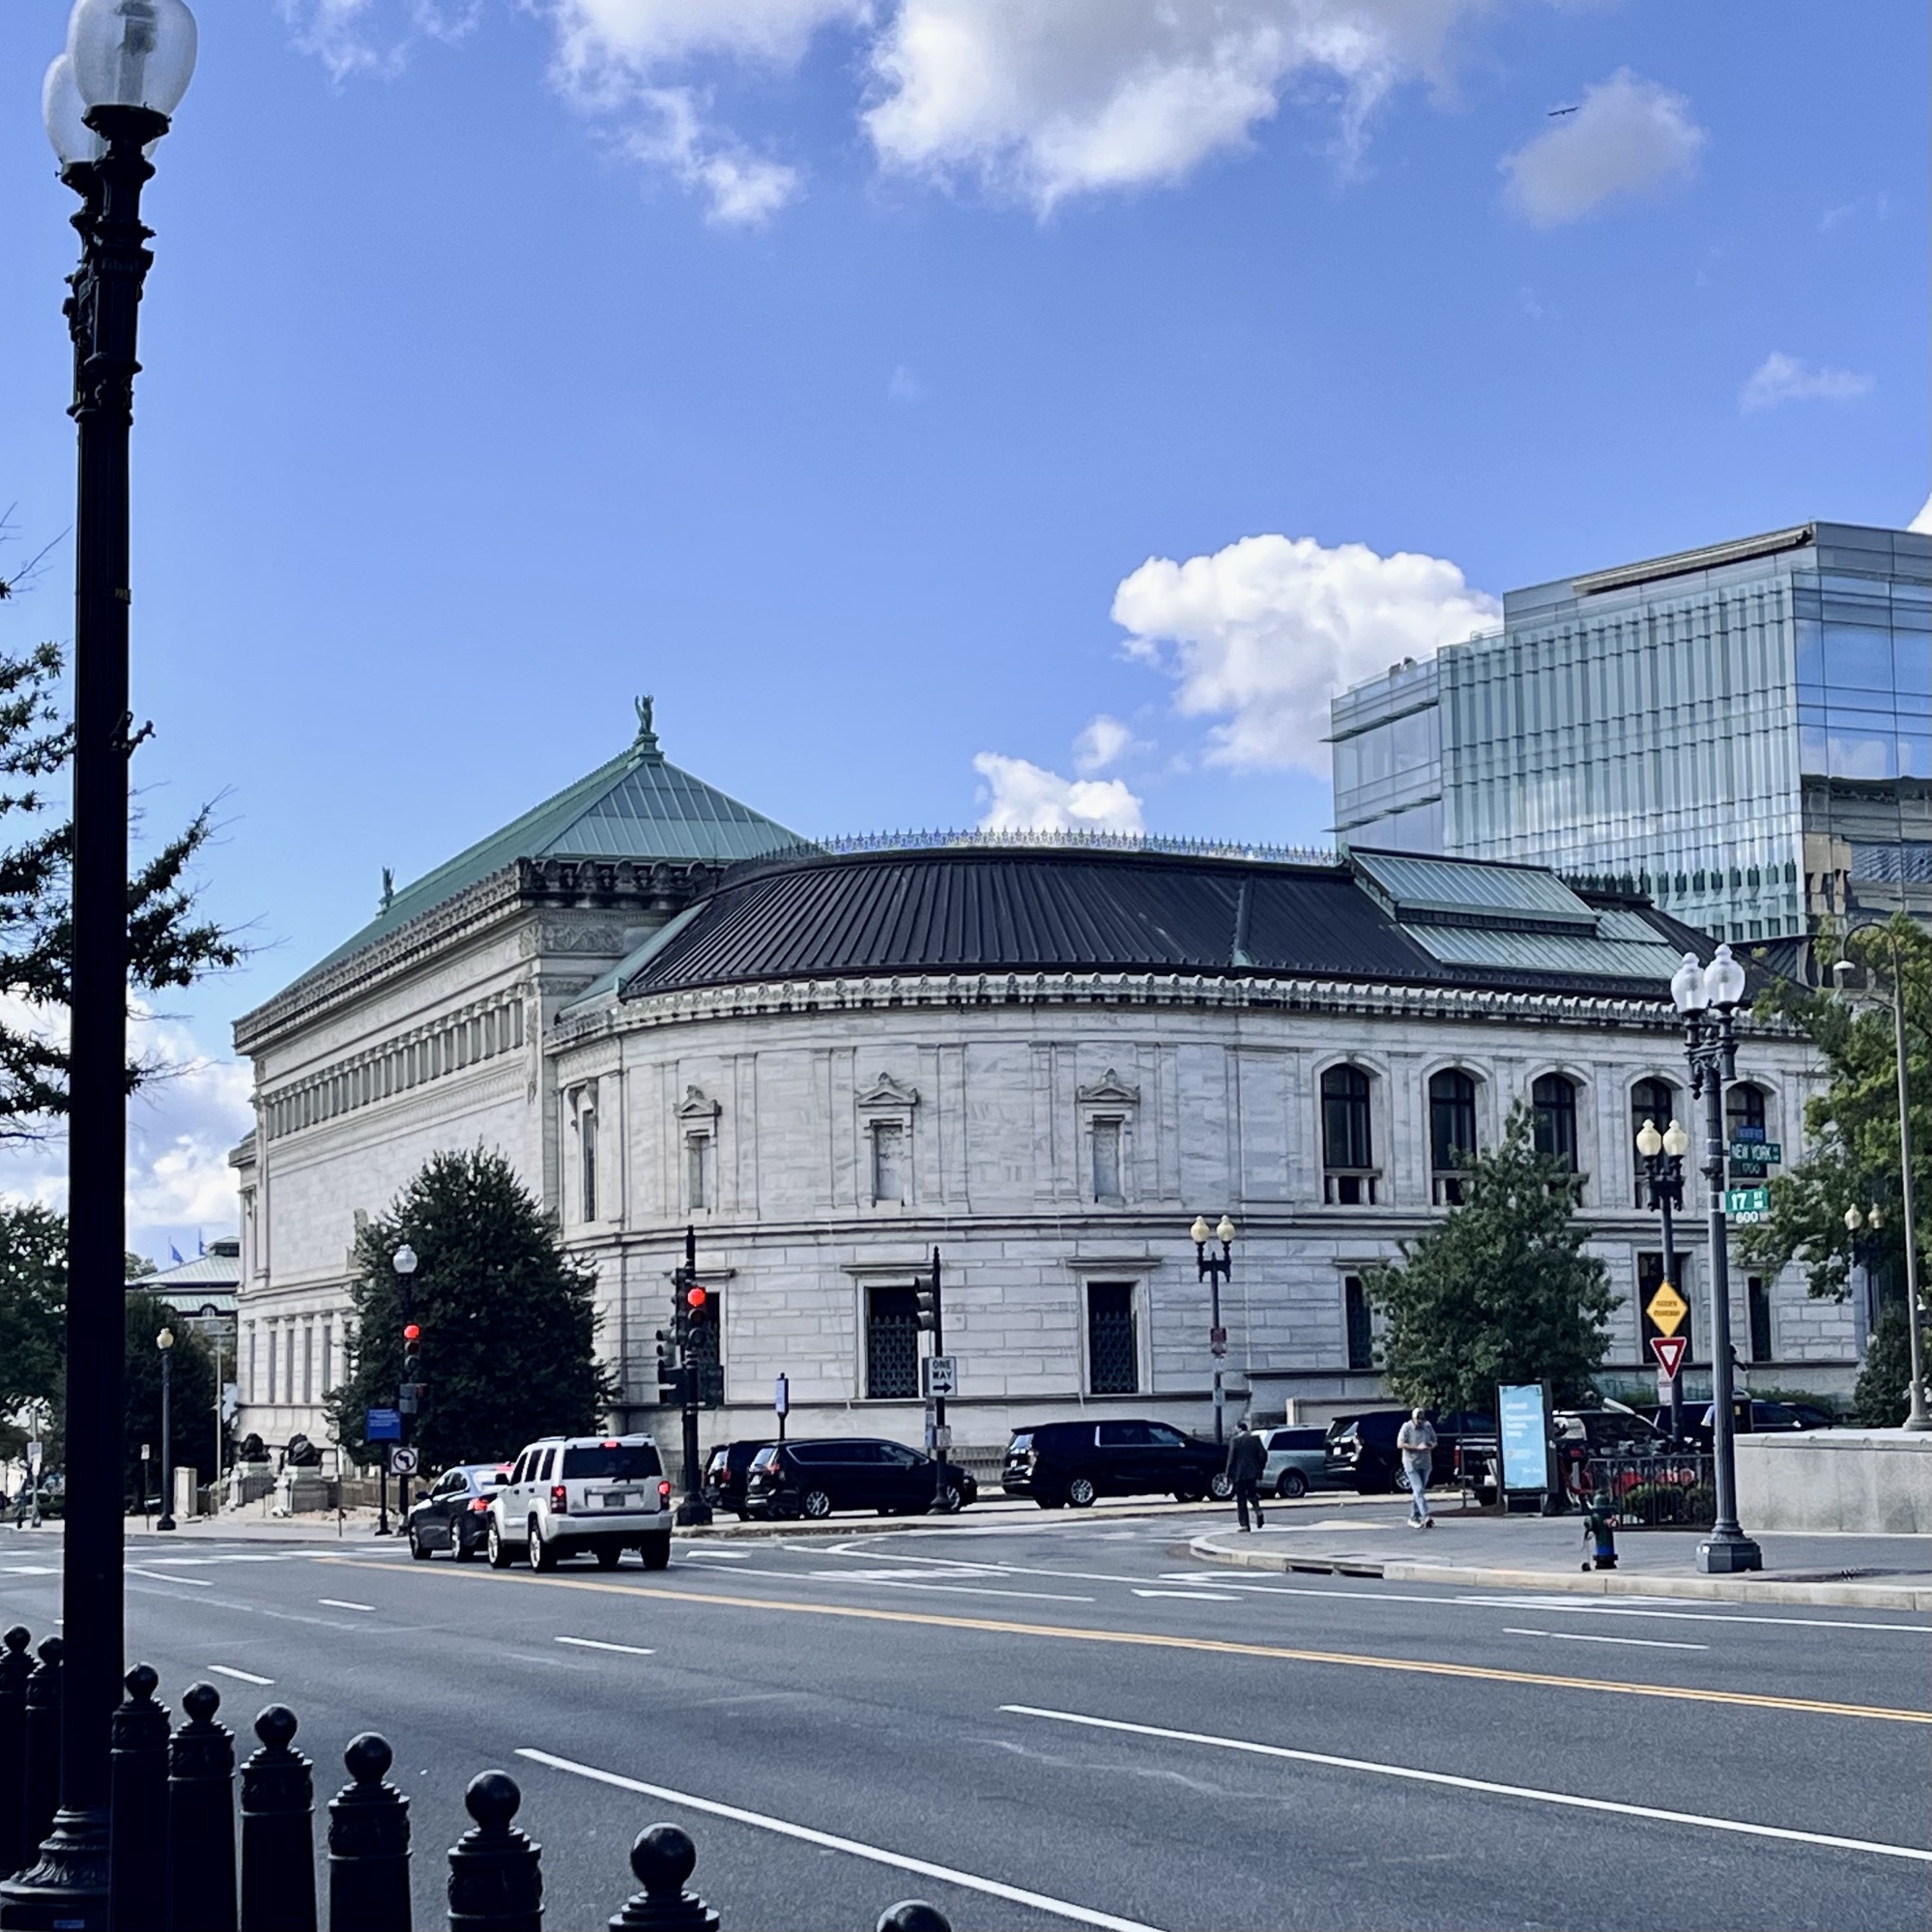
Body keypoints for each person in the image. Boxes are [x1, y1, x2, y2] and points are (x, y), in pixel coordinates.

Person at [1397, 1407, 1437, 1528]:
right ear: (1413, 1418)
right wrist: (1416, 1448)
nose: (1420, 1422)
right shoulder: (1407, 1427)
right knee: (1418, 1489)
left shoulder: (1427, 1426)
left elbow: (1435, 1440)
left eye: (1422, 1420)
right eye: (1418, 1420)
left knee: (1419, 1491)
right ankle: (1426, 1516)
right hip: (1411, 1463)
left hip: (1425, 1463)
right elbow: (1400, 1444)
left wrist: (1429, 1446)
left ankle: (1414, 1516)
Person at [1226, 1419, 1267, 1531]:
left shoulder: (1235, 1440)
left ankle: (1245, 1524)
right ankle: (1258, 1510)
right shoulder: (1255, 1439)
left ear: (1239, 1429)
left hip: (1239, 1474)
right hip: (1252, 1473)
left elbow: (1231, 1459)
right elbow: (1263, 1454)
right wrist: (1259, 1467)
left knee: (1241, 1499)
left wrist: (1227, 1474)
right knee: (1252, 1494)